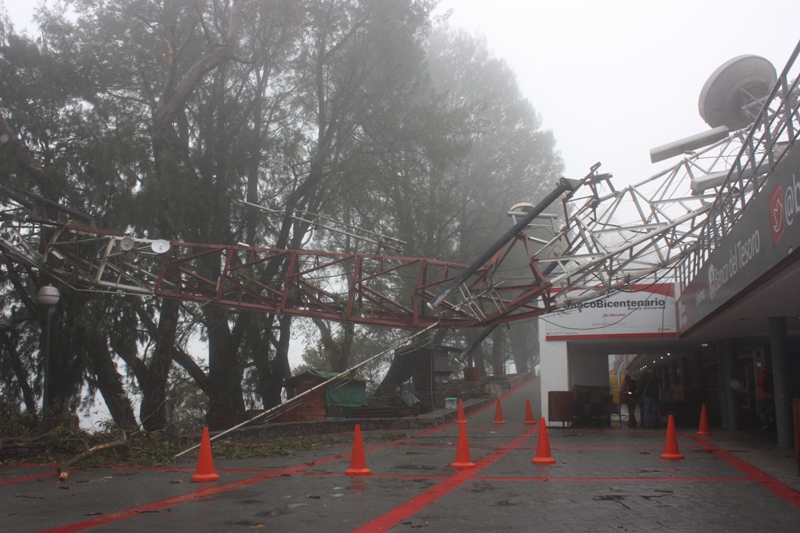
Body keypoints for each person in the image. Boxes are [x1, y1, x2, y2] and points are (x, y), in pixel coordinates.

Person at [757, 364, 775, 431]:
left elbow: (758, 384)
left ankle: (765, 424)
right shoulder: (773, 375)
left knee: (761, 411)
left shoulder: (761, 374)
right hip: (772, 396)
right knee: (771, 411)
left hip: (763, 396)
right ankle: (772, 424)